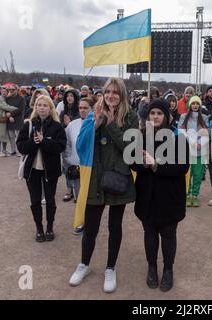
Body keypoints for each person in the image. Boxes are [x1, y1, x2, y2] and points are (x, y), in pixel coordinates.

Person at [69, 78, 138, 293]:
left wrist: (110, 126)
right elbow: (80, 145)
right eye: (108, 91)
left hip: (118, 179)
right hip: (94, 179)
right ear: (103, 93)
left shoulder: (131, 117)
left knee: (114, 227)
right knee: (90, 227)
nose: (111, 96)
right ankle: (84, 264)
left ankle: (110, 268)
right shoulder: (94, 113)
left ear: (122, 95)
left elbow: (131, 149)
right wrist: (96, 125)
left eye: (116, 92)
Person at [132, 99, 190, 292]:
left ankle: (168, 269)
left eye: (159, 113)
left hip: (170, 197)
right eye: (152, 113)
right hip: (146, 195)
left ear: (166, 116)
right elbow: (132, 163)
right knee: (149, 233)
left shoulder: (178, 137)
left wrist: (156, 164)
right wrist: (144, 164)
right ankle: (151, 267)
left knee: (168, 234)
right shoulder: (141, 136)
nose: (155, 116)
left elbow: (182, 167)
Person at [16, 95, 66, 242]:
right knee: (35, 200)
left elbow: (61, 147)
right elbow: (21, 146)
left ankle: (49, 227)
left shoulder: (57, 127)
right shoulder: (29, 124)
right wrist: (34, 142)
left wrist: (44, 142)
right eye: (39, 105)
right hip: (32, 170)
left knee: (50, 201)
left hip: (50, 171)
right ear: (35, 108)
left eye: (45, 105)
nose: (42, 107)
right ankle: (39, 228)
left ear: (51, 108)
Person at [63, 97, 94, 235]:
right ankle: (81, 222)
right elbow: (67, 144)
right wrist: (70, 159)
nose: (82, 110)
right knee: (79, 197)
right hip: (76, 167)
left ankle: (90, 222)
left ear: (91, 109)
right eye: (80, 108)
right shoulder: (72, 125)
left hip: (92, 167)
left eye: (85, 108)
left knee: (90, 197)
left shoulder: (97, 124)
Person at [178, 96, 209, 207]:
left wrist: (201, 143)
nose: (195, 105)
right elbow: (181, 132)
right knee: (187, 174)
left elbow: (206, 132)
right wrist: (191, 142)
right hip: (187, 150)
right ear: (189, 105)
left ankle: (194, 195)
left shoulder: (204, 117)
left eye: (197, 103)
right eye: (193, 103)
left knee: (197, 174)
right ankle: (186, 195)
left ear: (200, 105)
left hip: (199, 151)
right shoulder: (183, 116)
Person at [0, 87, 19, 157]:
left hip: (5, 119)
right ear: (0, 91)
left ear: (7, 92)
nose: (4, 93)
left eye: (5, 91)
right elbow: (6, 107)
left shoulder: (6, 98)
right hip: (0, 119)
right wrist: (17, 109)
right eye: (2, 91)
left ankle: (4, 150)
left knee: (5, 136)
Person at [6, 84, 26, 156]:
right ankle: (13, 150)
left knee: (18, 136)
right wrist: (9, 116)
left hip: (18, 119)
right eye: (10, 89)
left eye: (13, 89)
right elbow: (5, 108)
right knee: (11, 136)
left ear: (17, 90)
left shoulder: (21, 99)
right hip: (9, 120)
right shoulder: (7, 99)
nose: (11, 91)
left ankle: (19, 151)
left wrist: (11, 115)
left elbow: (20, 109)